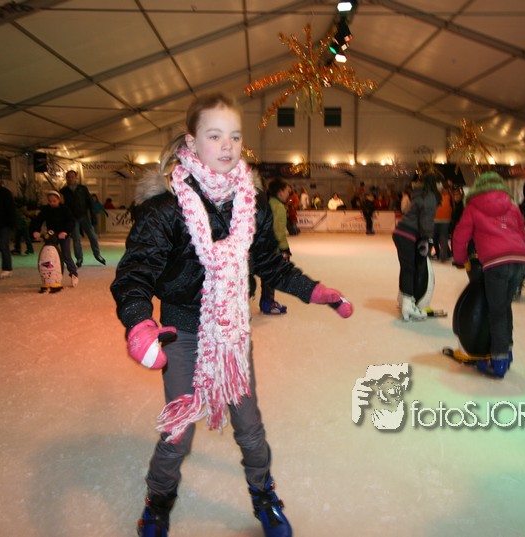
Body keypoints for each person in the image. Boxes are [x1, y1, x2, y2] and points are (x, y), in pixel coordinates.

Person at [110, 93, 353, 537]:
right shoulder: (167, 208)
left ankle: (264, 494)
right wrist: (139, 320)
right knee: (179, 430)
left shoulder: (251, 204)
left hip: (232, 333)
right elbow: (135, 273)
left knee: (249, 426)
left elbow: (271, 264)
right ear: (192, 141)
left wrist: (314, 291)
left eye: (235, 136)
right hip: (182, 331)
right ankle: (158, 500)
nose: (227, 145)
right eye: (215, 135)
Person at [451, 172, 525, 378]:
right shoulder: (512, 206)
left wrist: (460, 259)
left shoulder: (473, 206)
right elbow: (522, 233)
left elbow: (460, 236)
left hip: (496, 262)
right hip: (519, 260)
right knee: (504, 307)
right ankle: (507, 352)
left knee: (497, 311)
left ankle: (499, 361)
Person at [392, 174, 439, 321]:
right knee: (409, 269)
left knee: (407, 268)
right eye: (441, 183)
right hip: (408, 234)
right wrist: (427, 238)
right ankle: (408, 304)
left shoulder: (420, 195)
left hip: (401, 233)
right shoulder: (429, 197)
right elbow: (426, 220)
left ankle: (405, 300)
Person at [30, 191, 79, 288]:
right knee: (48, 255)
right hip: (51, 236)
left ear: (59, 200)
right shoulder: (46, 209)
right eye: (50, 201)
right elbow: (38, 220)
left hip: (63, 235)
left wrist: (65, 231)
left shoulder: (65, 209)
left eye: (54, 201)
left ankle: (73, 274)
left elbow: (71, 221)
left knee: (66, 255)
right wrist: (36, 230)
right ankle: (50, 275)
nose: (52, 203)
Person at [259, 178, 293, 314]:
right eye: (287, 191)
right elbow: (278, 232)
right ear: (280, 192)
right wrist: (285, 249)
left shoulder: (269, 204)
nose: (288, 194)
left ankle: (265, 302)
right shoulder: (278, 207)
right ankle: (268, 303)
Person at [60, 170, 106, 267]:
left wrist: (93, 215)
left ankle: (97, 254)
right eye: (68, 177)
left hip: (84, 216)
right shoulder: (63, 191)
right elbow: (62, 206)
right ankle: (79, 258)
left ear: (76, 178)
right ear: (66, 178)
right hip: (73, 218)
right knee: (76, 239)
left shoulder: (82, 189)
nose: (70, 179)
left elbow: (90, 202)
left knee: (93, 236)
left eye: (72, 177)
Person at [432, 181, 454, 261]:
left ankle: (442, 255)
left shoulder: (446, 195)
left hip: (441, 219)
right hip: (442, 219)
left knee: (439, 237)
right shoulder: (448, 195)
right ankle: (443, 254)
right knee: (441, 237)